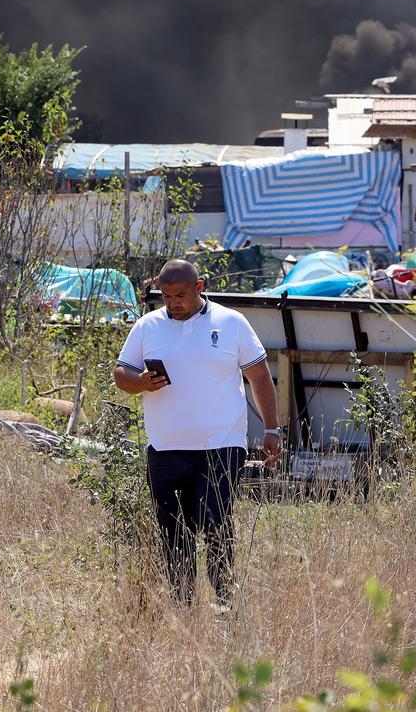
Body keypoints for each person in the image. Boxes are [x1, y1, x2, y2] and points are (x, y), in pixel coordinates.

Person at [113, 259, 282, 609]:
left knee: (216, 522)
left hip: (221, 445)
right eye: (166, 296)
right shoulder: (147, 326)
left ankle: (223, 603)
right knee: (174, 530)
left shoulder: (231, 323)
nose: (172, 303)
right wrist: (140, 382)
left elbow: (260, 377)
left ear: (199, 287)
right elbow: (121, 374)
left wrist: (271, 428)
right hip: (165, 449)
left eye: (180, 295)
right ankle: (183, 606)